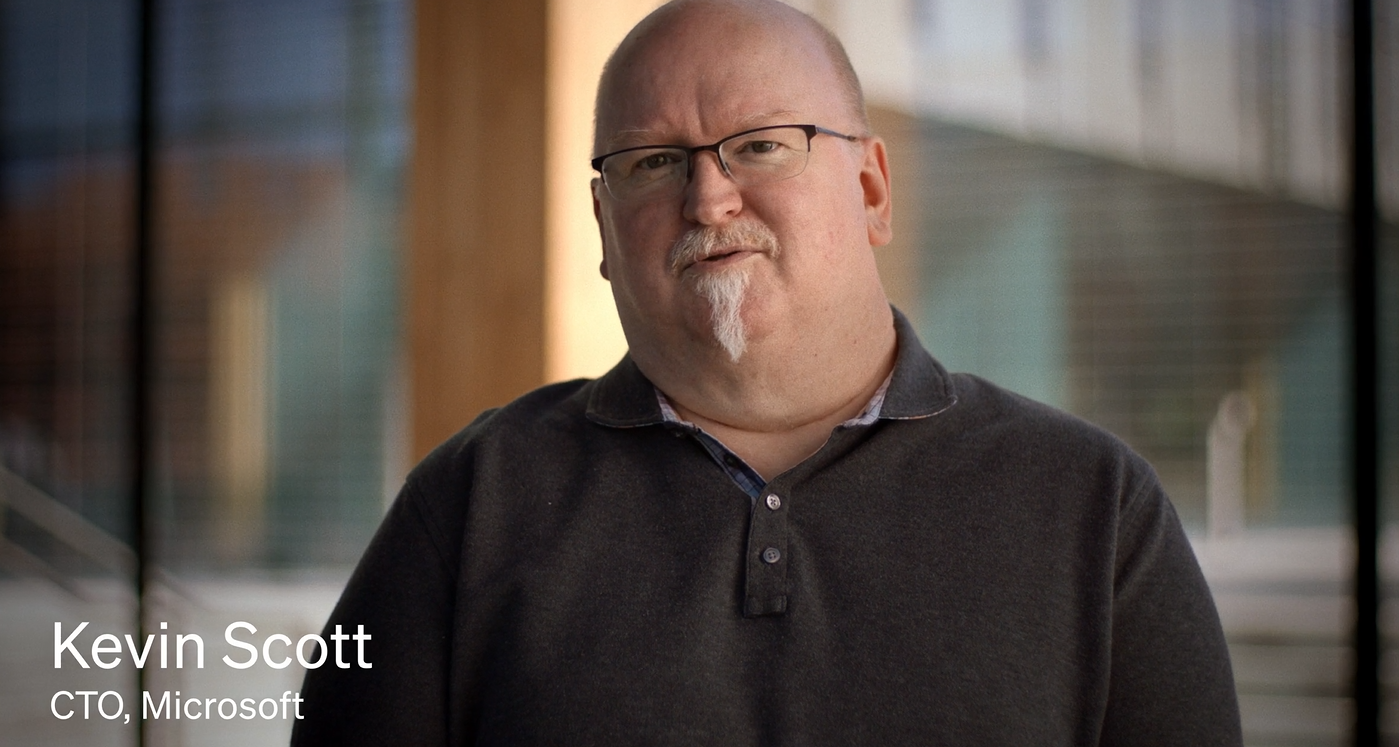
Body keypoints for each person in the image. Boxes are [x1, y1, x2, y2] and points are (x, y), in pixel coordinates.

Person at [293, 0, 1242, 744]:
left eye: (758, 145)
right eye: (653, 162)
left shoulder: (1091, 506)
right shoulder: (469, 503)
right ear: (603, 228)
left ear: (870, 189)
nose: (708, 196)